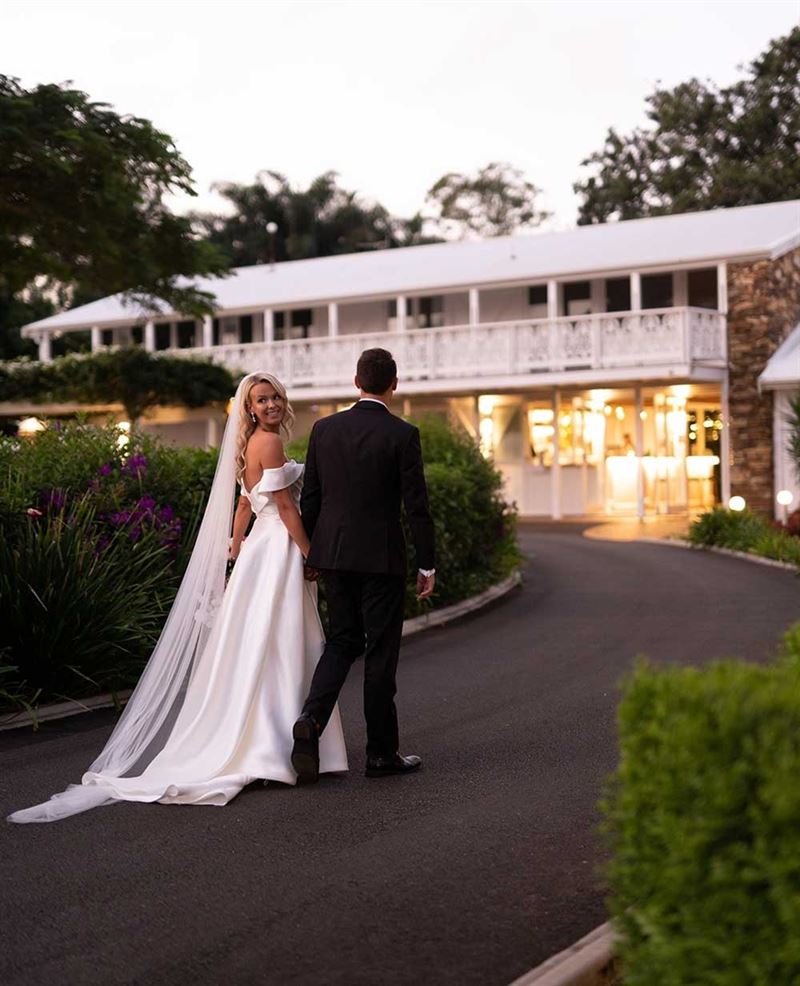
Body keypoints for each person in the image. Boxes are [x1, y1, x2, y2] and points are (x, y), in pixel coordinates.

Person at [7, 371, 347, 824]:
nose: (270, 405)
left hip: (257, 552)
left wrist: (234, 545)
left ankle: (264, 733)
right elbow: (284, 508)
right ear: (249, 408)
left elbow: (245, 502)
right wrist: (312, 554)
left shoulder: (248, 446)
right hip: (277, 550)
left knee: (258, 641)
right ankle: (273, 743)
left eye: (274, 398)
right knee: (281, 640)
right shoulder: (268, 443)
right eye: (261, 400)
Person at [291, 347, 436, 782]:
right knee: (380, 651)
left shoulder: (324, 429)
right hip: (381, 559)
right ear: (394, 384)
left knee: (341, 642)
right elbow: (417, 507)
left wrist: (312, 554)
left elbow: (311, 497)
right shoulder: (403, 434)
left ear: (356, 382)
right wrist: (426, 564)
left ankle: (311, 722)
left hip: (334, 556)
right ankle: (380, 753)